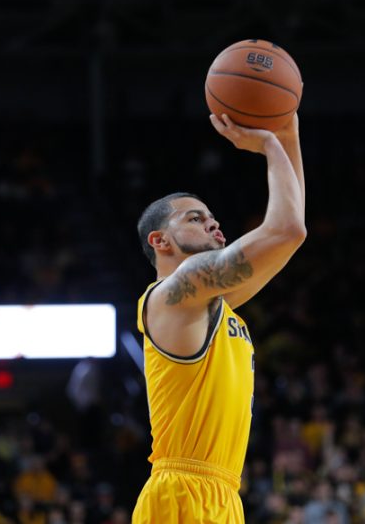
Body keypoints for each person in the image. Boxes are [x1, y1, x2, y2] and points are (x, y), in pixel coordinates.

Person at [131, 113, 306, 523]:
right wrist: (268, 147)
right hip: (181, 496)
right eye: (194, 218)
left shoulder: (212, 300)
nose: (212, 221)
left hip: (223, 494)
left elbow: (291, 236)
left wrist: (288, 136)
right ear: (160, 240)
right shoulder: (176, 293)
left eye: (210, 215)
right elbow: (286, 229)